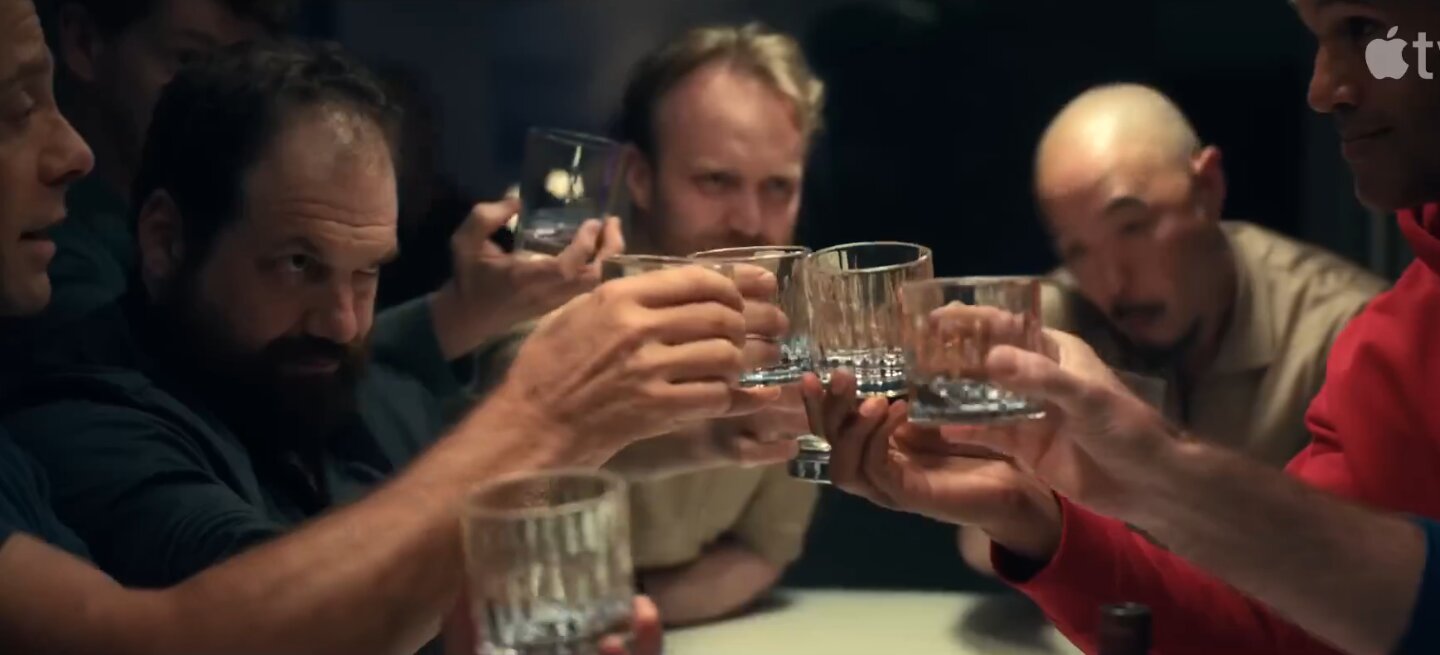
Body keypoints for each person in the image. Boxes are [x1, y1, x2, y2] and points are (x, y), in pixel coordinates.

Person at [815, 0, 1440, 652]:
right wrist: (1030, 517)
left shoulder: (1343, 327)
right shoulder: (1397, 343)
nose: (1321, 89)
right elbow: (1277, 631)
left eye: (1365, 27)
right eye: (1078, 250)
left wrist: (1155, 470)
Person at [4, 37, 780, 619]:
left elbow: (453, 471)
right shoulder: (84, 416)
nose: (343, 320)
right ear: (166, 242)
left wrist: (717, 436)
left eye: (368, 271)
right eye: (299, 264)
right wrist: (548, 411)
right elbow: (294, 621)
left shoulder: (301, 377)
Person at [10, 0, 613, 404]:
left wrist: (472, 307)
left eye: (368, 271)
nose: (234, 99)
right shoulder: (47, 266)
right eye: (190, 59)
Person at [959, 83, 1386, 574]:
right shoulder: (1052, 327)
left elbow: (1372, 570)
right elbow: (979, 542)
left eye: (1133, 227)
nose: (1112, 283)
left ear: (1208, 188)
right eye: (1077, 250)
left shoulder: (1346, 332)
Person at [602, 23, 825, 627]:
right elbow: (522, 466)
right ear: (640, 177)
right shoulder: (549, 292)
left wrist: (621, 622)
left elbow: (763, 550)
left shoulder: (796, 322)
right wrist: (713, 436)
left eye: (778, 187)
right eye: (716, 181)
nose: (750, 222)